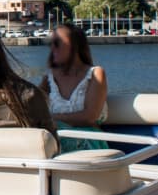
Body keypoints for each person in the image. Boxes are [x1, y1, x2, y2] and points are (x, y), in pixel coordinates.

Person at [38, 24, 108, 152]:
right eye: (51, 43)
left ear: (75, 46)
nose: (52, 47)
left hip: (87, 142)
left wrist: (52, 118)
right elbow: (33, 107)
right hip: (55, 140)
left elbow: (89, 117)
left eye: (58, 43)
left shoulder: (95, 74)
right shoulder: (49, 78)